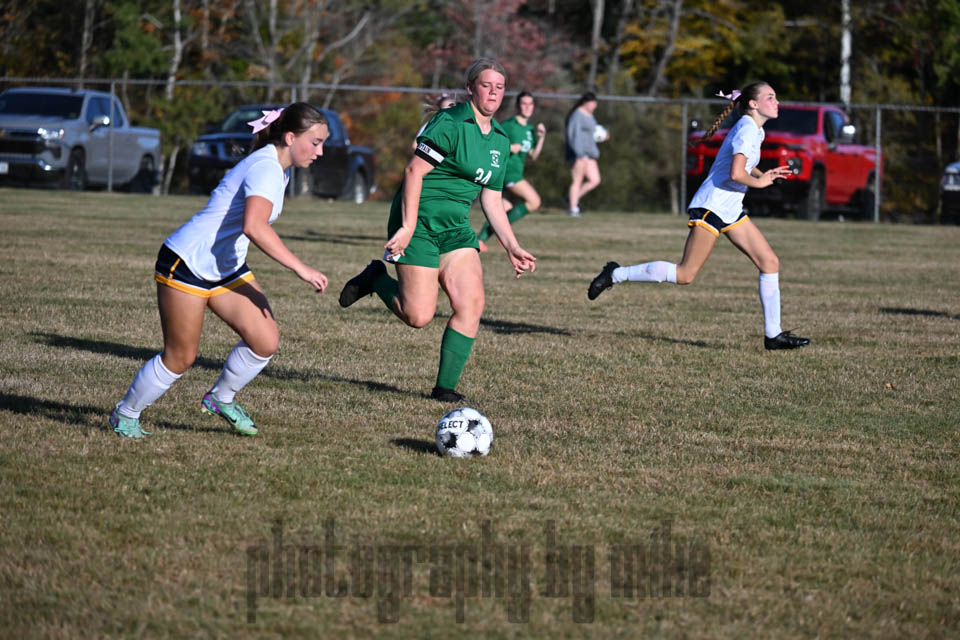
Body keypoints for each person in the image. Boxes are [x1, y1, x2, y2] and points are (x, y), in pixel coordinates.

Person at [107, 103, 330, 438]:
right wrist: (301, 268)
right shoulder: (267, 168)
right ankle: (125, 414)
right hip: (188, 263)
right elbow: (254, 226)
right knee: (180, 357)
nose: (320, 151)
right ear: (289, 137)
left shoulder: (278, 169)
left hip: (225, 267)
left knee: (264, 340)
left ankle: (220, 398)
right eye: (315, 142)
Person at [338, 58, 537, 402]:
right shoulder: (450, 122)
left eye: (500, 87)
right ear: (470, 88)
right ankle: (375, 278)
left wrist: (512, 246)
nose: (493, 93)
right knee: (418, 316)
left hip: (457, 229)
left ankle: (444, 389)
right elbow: (413, 172)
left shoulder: (501, 140)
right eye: (486, 85)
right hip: (420, 222)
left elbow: (492, 200)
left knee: (471, 304)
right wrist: (407, 226)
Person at [587, 82, 810, 351]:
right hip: (712, 206)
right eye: (770, 97)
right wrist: (760, 183)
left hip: (729, 208)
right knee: (685, 274)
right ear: (753, 104)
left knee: (769, 262)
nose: (777, 102)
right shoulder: (748, 129)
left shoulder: (755, 129)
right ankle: (615, 274)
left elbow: (744, 165)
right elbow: (736, 173)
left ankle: (773, 335)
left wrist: (765, 175)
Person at [477, 91, 546, 251]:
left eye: (530, 104)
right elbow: (491, 143)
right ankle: (502, 233)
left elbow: (533, 156)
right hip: (508, 172)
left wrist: (541, 137)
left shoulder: (530, 129)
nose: (527, 107)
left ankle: (480, 240)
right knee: (534, 201)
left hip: (517, 172)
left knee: (504, 207)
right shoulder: (509, 125)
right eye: (524, 103)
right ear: (517, 106)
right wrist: (509, 147)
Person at [565, 91, 606, 217]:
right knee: (577, 181)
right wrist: (579, 153)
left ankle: (571, 199)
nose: (594, 106)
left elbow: (594, 132)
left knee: (595, 180)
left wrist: (605, 134)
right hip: (579, 154)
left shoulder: (590, 115)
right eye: (592, 103)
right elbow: (573, 135)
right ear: (585, 102)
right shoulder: (577, 115)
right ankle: (573, 209)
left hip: (590, 154)